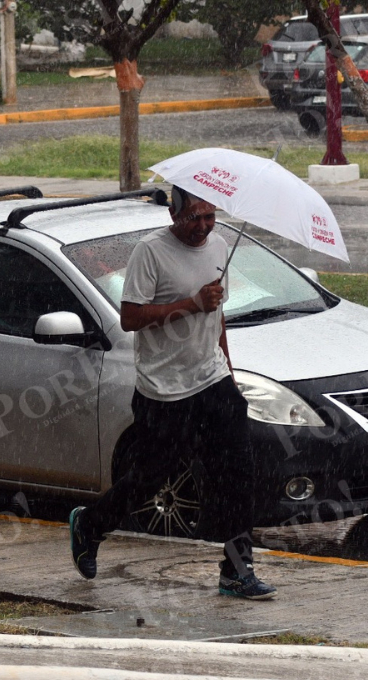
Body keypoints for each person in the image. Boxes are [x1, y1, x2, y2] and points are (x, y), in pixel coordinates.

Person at [68, 186, 277, 600]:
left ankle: (237, 570)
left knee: (238, 474)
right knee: (149, 480)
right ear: (173, 212)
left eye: (209, 216)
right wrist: (190, 303)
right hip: (163, 392)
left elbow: (216, 321)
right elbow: (130, 318)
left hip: (213, 381)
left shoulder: (219, 247)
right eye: (194, 217)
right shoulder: (150, 252)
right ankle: (90, 525)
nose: (203, 226)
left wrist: (229, 376)